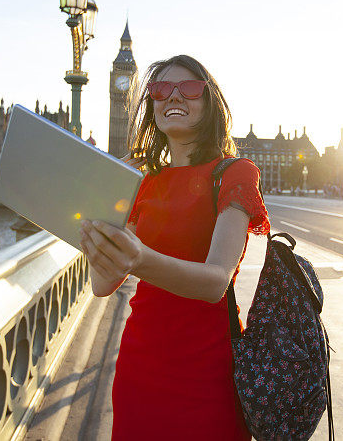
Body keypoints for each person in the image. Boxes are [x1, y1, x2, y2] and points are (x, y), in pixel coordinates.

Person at [79, 55, 268, 440]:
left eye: (189, 88)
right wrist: (98, 228)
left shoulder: (234, 173)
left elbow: (216, 282)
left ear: (210, 101)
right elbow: (102, 285)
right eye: (160, 89)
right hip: (139, 368)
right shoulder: (142, 182)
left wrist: (140, 258)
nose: (173, 96)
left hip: (206, 377)